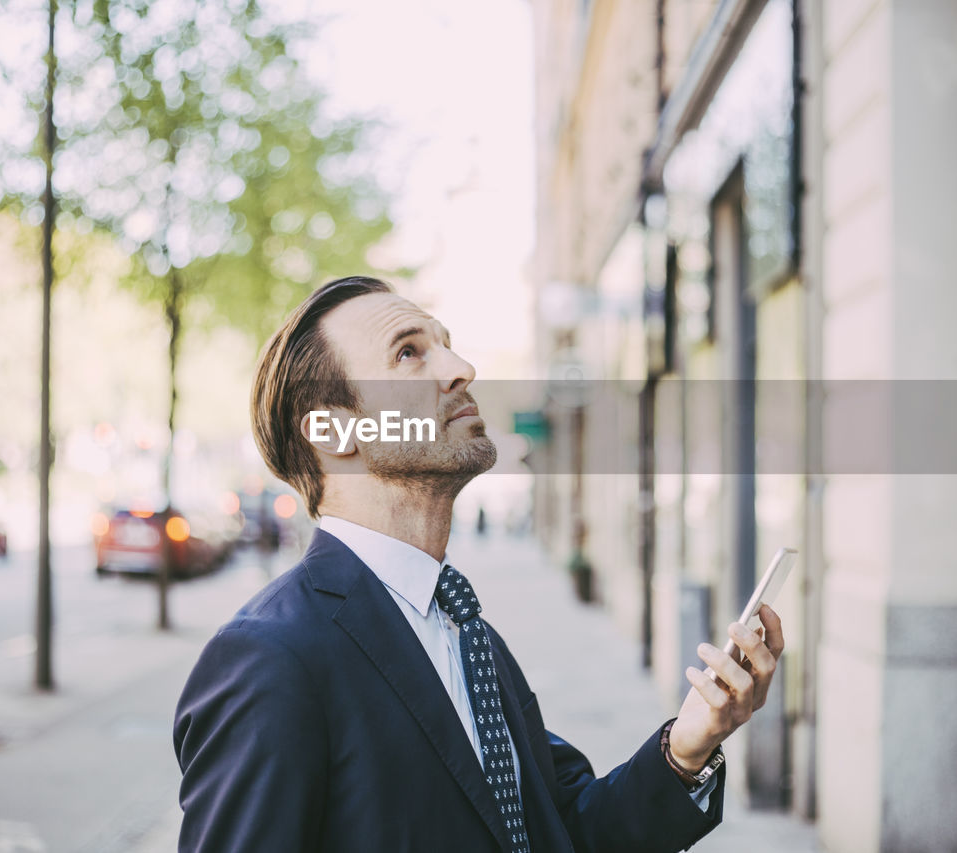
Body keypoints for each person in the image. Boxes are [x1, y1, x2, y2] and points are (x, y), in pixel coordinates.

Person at [173, 276, 784, 852]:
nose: (461, 370)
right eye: (409, 353)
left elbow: (561, 827)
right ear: (334, 432)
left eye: (447, 345)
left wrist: (688, 746)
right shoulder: (269, 659)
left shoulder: (465, 631)